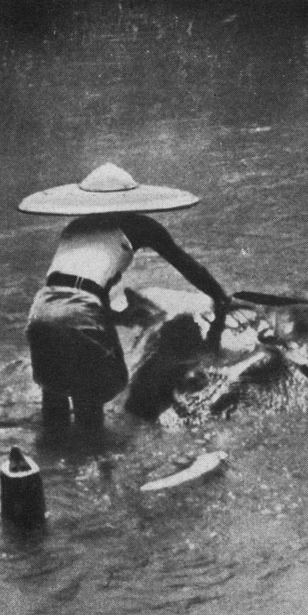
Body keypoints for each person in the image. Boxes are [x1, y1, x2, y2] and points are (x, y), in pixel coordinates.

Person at [19, 163, 231, 430]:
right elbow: (185, 264)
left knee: (54, 392)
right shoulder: (140, 225)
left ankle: (53, 461)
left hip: (42, 308)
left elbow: (76, 288)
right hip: (80, 308)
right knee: (90, 401)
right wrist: (220, 297)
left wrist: (119, 316)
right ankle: (89, 462)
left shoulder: (75, 227)